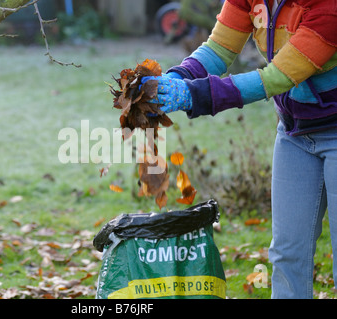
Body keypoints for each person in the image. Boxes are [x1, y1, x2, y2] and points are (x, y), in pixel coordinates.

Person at [143, 0, 337, 298]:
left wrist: (196, 95)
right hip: (295, 134)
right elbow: (218, 49)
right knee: (287, 255)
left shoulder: (328, 6)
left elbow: (276, 79)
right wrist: (177, 77)